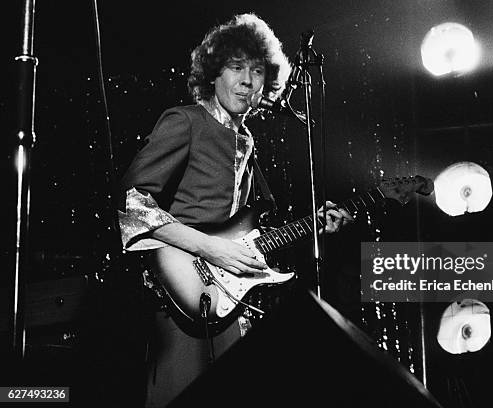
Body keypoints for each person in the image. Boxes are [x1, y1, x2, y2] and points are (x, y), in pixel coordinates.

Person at [118, 13, 352, 407]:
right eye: (236, 67)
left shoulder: (247, 141)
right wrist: (212, 249)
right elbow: (132, 203)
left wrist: (317, 226)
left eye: (257, 71)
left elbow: (246, 232)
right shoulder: (186, 121)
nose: (247, 81)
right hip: (182, 293)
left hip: (230, 298)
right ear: (213, 73)